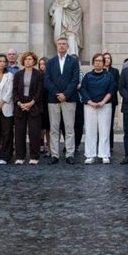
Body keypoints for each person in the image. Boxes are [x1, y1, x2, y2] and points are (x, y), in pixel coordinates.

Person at [45, 36, 80, 164]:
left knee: (69, 128)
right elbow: (47, 80)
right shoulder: (50, 62)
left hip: (69, 99)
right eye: (59, 44)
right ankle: (55, 154)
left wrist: (65, 94)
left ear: (67, 46)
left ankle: (70, 154)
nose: (61, 46)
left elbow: (75, 79)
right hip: (53, 100)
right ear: (56, 46)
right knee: (54, 129)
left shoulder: (73, 61)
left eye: (64, 44)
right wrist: (57, 94)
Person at [80, 53, 115, 164]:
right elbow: (83, 90)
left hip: (105, 105)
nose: (98, 63)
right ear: (93, 62)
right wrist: (91, 102)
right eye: (96, 61)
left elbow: (111, 90)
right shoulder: (87, 76)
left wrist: (103, 102)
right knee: (90, 130)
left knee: (104, 130)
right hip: (90, 106)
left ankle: (104, 154)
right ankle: (90, 155)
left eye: (100, 61)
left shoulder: (109, 76)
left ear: (104, 63)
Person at [13, 52, 44, 165]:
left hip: (34, 106)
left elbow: (40, 91)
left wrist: (31, 103)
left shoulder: (39, 75)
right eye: (26, 59)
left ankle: (34, 156)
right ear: (23, 61)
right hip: (20, 107)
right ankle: (20, 157)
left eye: (30, 59)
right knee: (19, 133)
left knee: (34, 133)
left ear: (34, 61)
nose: (28, 61)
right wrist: (19, 103)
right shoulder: (18, 74)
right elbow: (14, 91)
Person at [103, 52, 120, 148]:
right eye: (105, 58)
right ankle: (101, 144)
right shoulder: (99, 70)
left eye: (108, 58)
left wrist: (108, 95)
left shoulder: (115, 71)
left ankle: (110, 145)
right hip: (99, 101)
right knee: (101, 124)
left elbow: (117, 85)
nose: (107, 59)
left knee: (109, 123)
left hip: (111, 100)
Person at [37, 57, 51, 154]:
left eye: (44, 64)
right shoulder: (38, 75)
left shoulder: (51, 75)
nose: (42, 66)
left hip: (49, 102)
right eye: (41, 64)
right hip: (39, 103)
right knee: (40, 126)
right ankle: (41, 144)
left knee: (48, 127)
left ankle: (50, 146)